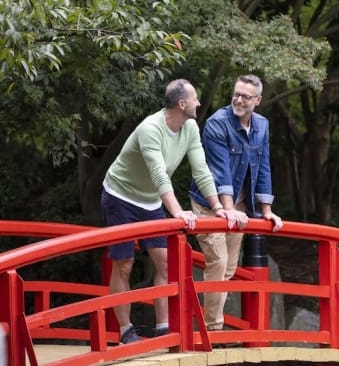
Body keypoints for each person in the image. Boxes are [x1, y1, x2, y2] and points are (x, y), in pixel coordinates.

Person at [102, 78, 245, 344]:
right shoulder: (151, 129)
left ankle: (163, 328)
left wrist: (217, 208)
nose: (199, 103)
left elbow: (201, 169)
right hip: (120, 196)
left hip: (151, 202)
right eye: (195, 98)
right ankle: (125, 330)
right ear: (182, 103)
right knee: (124, 264)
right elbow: (159, 174)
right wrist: (179, 212)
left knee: (165, 262)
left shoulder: (189, 126)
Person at [189, 74, 283, 331]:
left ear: (258, 100)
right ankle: (213, 329)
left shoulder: (262, 126)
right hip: (209, 204)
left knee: (229, 267)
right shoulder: (217, 124)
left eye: (246, 96)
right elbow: (221, 172)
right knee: (218, 262)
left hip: (239, 206)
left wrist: (267, 211)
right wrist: (227, 210)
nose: (239, 100)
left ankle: (208, 322)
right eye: (236, 94)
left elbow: (263, 167)